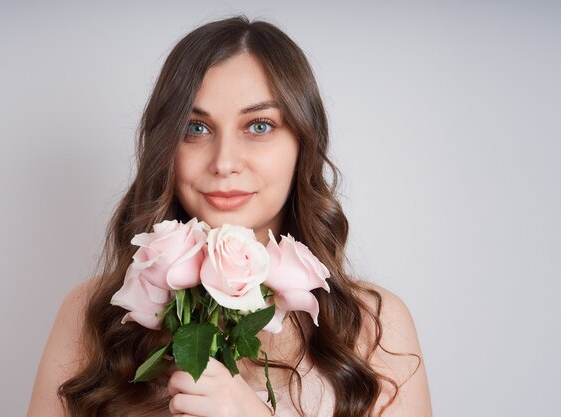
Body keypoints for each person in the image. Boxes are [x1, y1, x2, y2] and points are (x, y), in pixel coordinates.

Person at [26, 16, 432, 417]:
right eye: (196, 128)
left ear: (303, 145)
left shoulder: (373, 326)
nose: (224, 163)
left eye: (259, 126)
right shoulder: (94, 312)